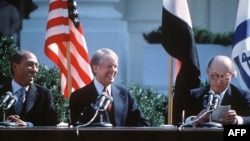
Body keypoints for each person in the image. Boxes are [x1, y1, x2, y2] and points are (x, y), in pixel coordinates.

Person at [69, 48, 150, 127]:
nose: (113, 70)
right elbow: (77, 127)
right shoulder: (78, 97)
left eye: (115, 66)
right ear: (95, 68)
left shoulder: (125, 94)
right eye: (109, 66)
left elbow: (142, 123)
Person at [184, 55, 250, 126]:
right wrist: (195, 120)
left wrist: (237, 120)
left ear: (232, 76)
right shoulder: (194, 95)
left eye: (224, 77)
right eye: (214, 76)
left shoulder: (243, 96)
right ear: (207, 72)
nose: (219, 81)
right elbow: (182, 121)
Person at [0, 50, 58, 126]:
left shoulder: (44, 94)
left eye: (37, 66)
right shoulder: (2, 91)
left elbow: (51, 125)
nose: (35, 70)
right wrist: (5, 122)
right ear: (15, 66)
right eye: (30, 65)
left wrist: (28, 125)